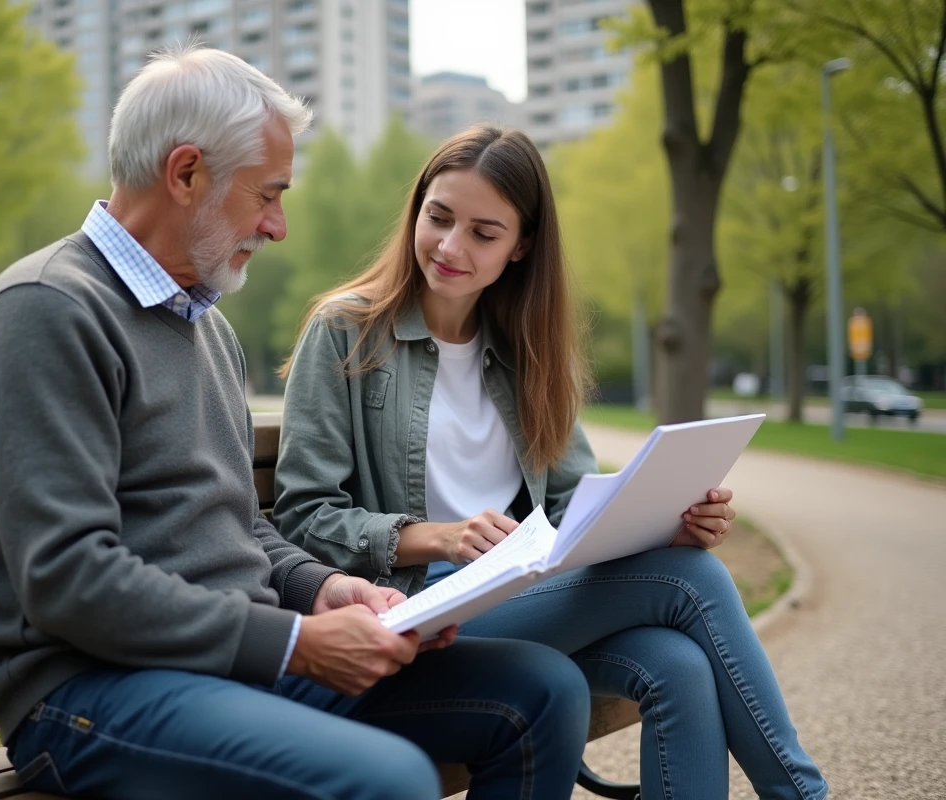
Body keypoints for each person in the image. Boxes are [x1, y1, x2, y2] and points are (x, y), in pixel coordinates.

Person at [0, 50, 594, 800]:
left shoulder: (202, 327)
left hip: (231, 666)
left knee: (541, 690)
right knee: (391, 781)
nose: (278, 226)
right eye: (269, 195)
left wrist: (327, 591)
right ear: (186, 173)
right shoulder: (46, 311)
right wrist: (295, 642)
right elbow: (69, 579)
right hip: (89, 693)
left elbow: (236, 529)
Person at [274, 125, 828, 800]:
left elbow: (570, 507)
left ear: (521, 245)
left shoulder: (529, 350)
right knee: (688, 581)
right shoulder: (346, 330)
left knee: (679, 663)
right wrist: (434, 537)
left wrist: (665, 523)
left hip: (521, 594)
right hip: (419, 605)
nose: (450, 247)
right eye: (439, 218)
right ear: (416, 209)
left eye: (484, 232)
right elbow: (305, 517)